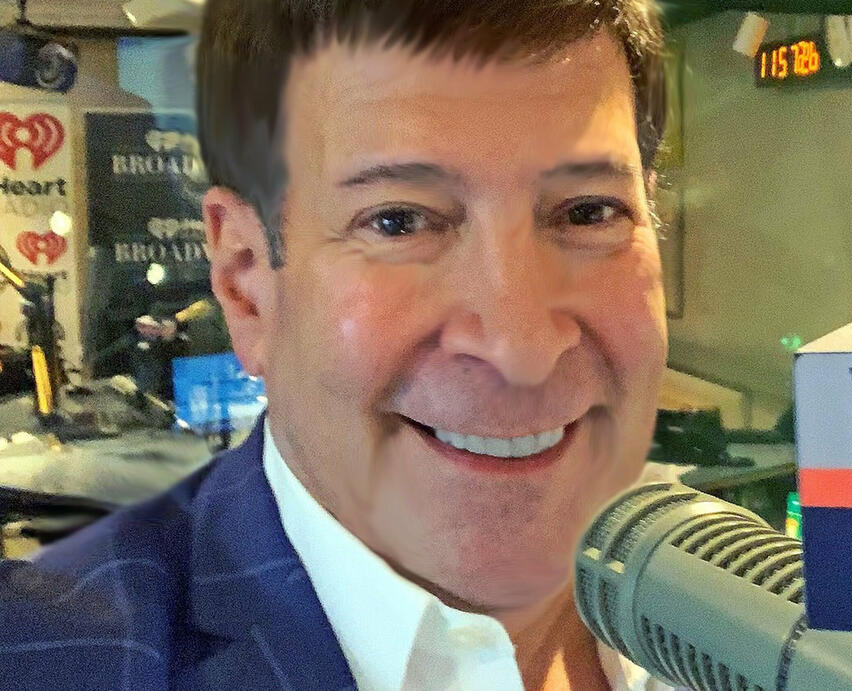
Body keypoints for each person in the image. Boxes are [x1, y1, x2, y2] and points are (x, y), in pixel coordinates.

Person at [0, 1, 675, 688]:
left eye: (589, 211)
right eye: (398, 221)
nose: (520, 349)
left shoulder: (735, 601)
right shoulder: (42, 660)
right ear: (246, 284)